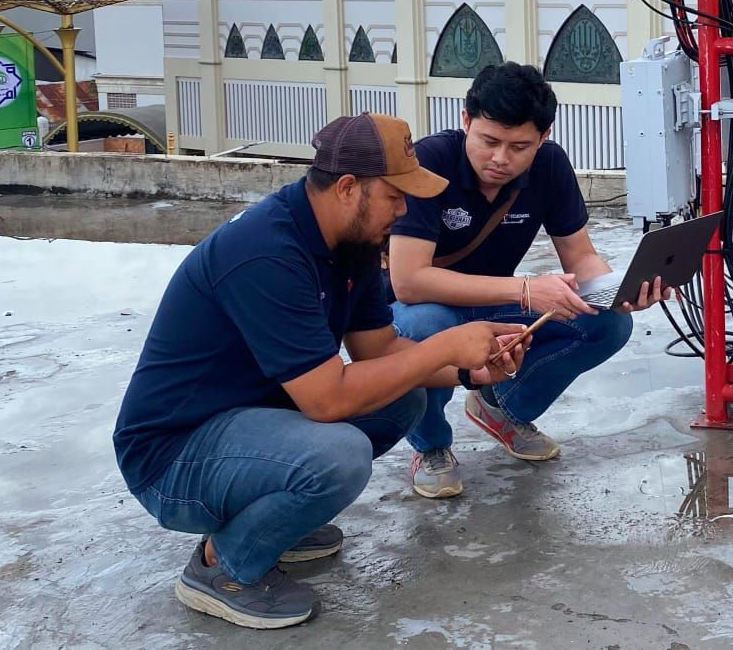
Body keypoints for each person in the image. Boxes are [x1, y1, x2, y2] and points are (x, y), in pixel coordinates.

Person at [113, 112, 531, 629]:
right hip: (172, 459)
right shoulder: (266, 252)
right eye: (395, 196)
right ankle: (222, 567)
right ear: (349, 187)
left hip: (244, 424)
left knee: (405, 398)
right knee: (339, 454)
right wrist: (445, 344)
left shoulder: (349, 241)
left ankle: (270, 523)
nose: (403, 212)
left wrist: (469, 372)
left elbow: (380, 351)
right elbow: (326, 401)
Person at [388, 62, 673, 499]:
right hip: (420, 308)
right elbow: (409, 281)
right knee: (427, 327)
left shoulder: (550, 167)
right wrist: (524, 289)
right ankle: (431, 447)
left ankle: (502, 407)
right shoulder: (429, 162)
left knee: (607, 323)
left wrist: (619, 289)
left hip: (494, 303)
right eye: (489, 141)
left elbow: (580, 256)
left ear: (544, 137)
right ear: (466, 121)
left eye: (520, 146)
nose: (501, 159)